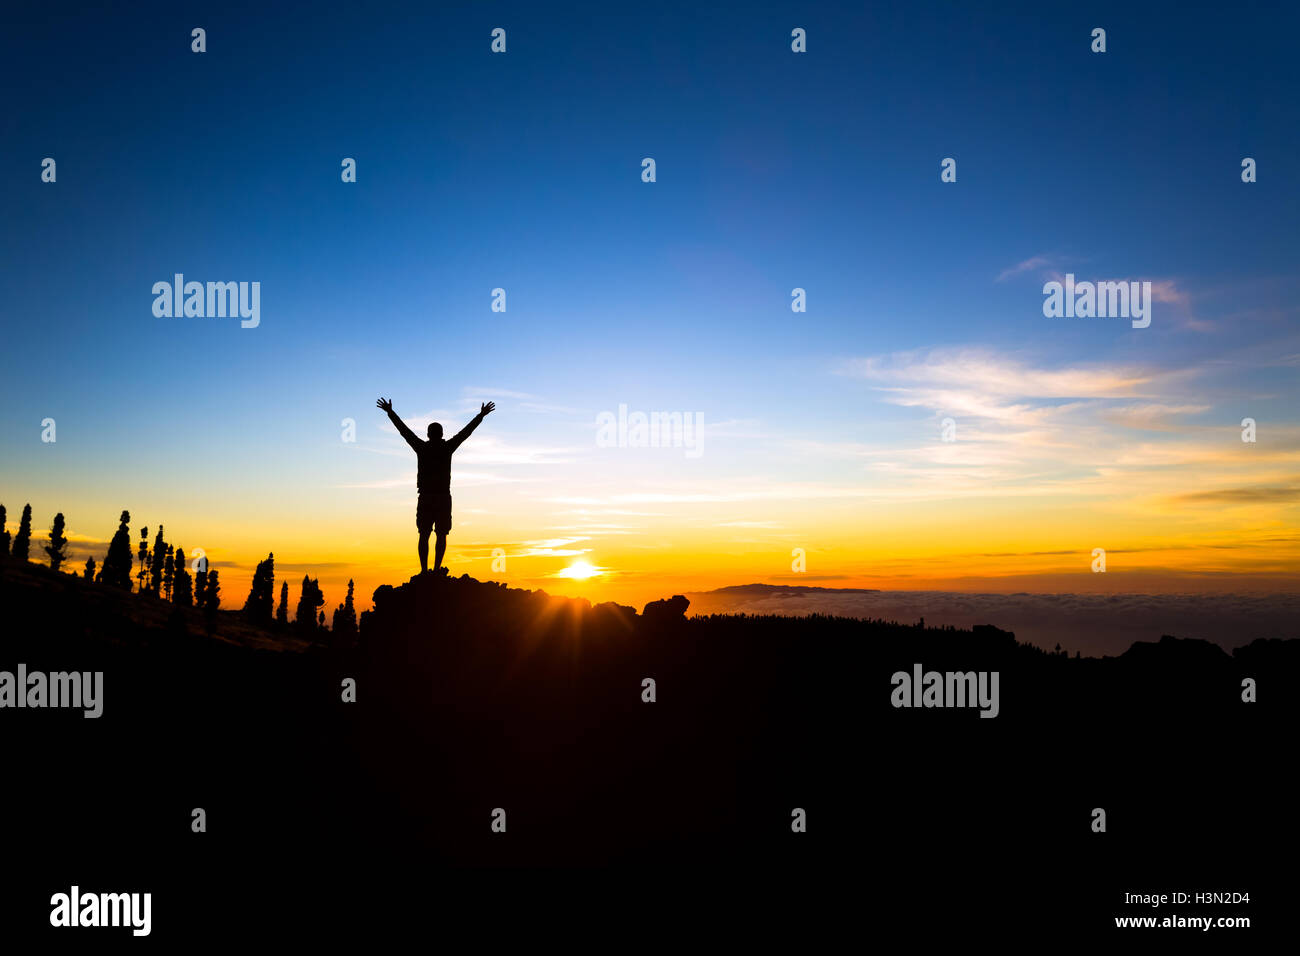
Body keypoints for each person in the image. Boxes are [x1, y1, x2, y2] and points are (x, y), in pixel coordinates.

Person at [376, 397, 495, 574]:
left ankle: (426, 571)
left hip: (427, 497)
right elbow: (465, 432)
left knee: (425, 534)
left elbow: (404, 431)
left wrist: (391, 413)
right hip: (441, 497)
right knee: (440, 534)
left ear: (428, 434)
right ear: (441, 434)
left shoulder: (422, 447)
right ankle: (435, 569)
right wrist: (481, 416)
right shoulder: (446, 447)